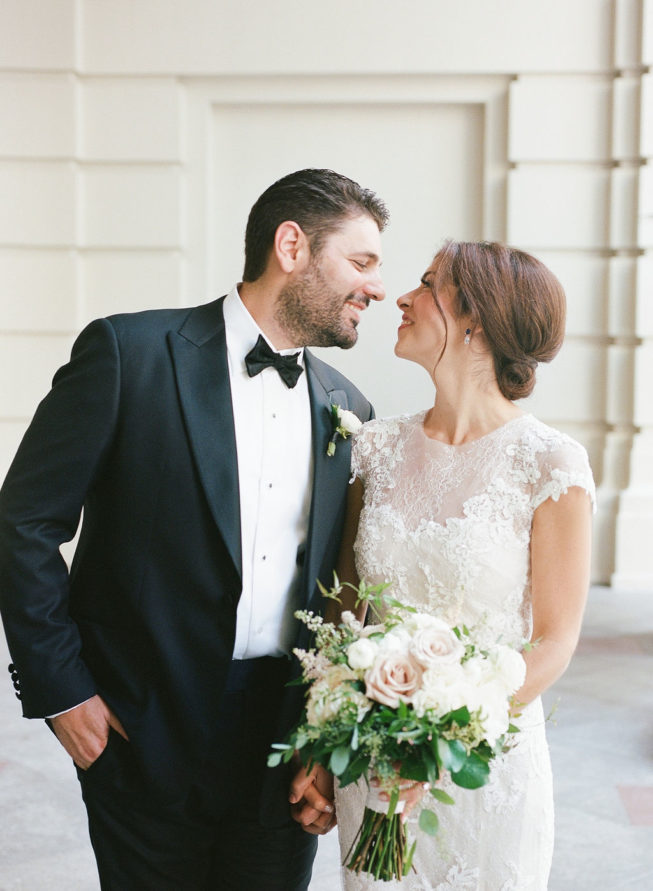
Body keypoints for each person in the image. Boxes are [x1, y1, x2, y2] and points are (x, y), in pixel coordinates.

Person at [0, 168, 388, 890]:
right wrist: (62, 691)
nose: (377, 287)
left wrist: (327, 735)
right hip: (139, 728)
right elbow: (23, 522)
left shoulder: (349, 407)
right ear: (292, 247)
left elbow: (341, 589)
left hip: (284, 746)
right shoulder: (129, 353)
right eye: (361, 262)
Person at [329, 240, 595, 890]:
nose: (401, 297)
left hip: (486, 771)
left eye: (427, 284)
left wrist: (439, 741)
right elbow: (344, 610)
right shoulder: (373, 449)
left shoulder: (548, 463)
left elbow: (555, 640)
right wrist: (337, 731)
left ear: (476, 316)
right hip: (376, 767)